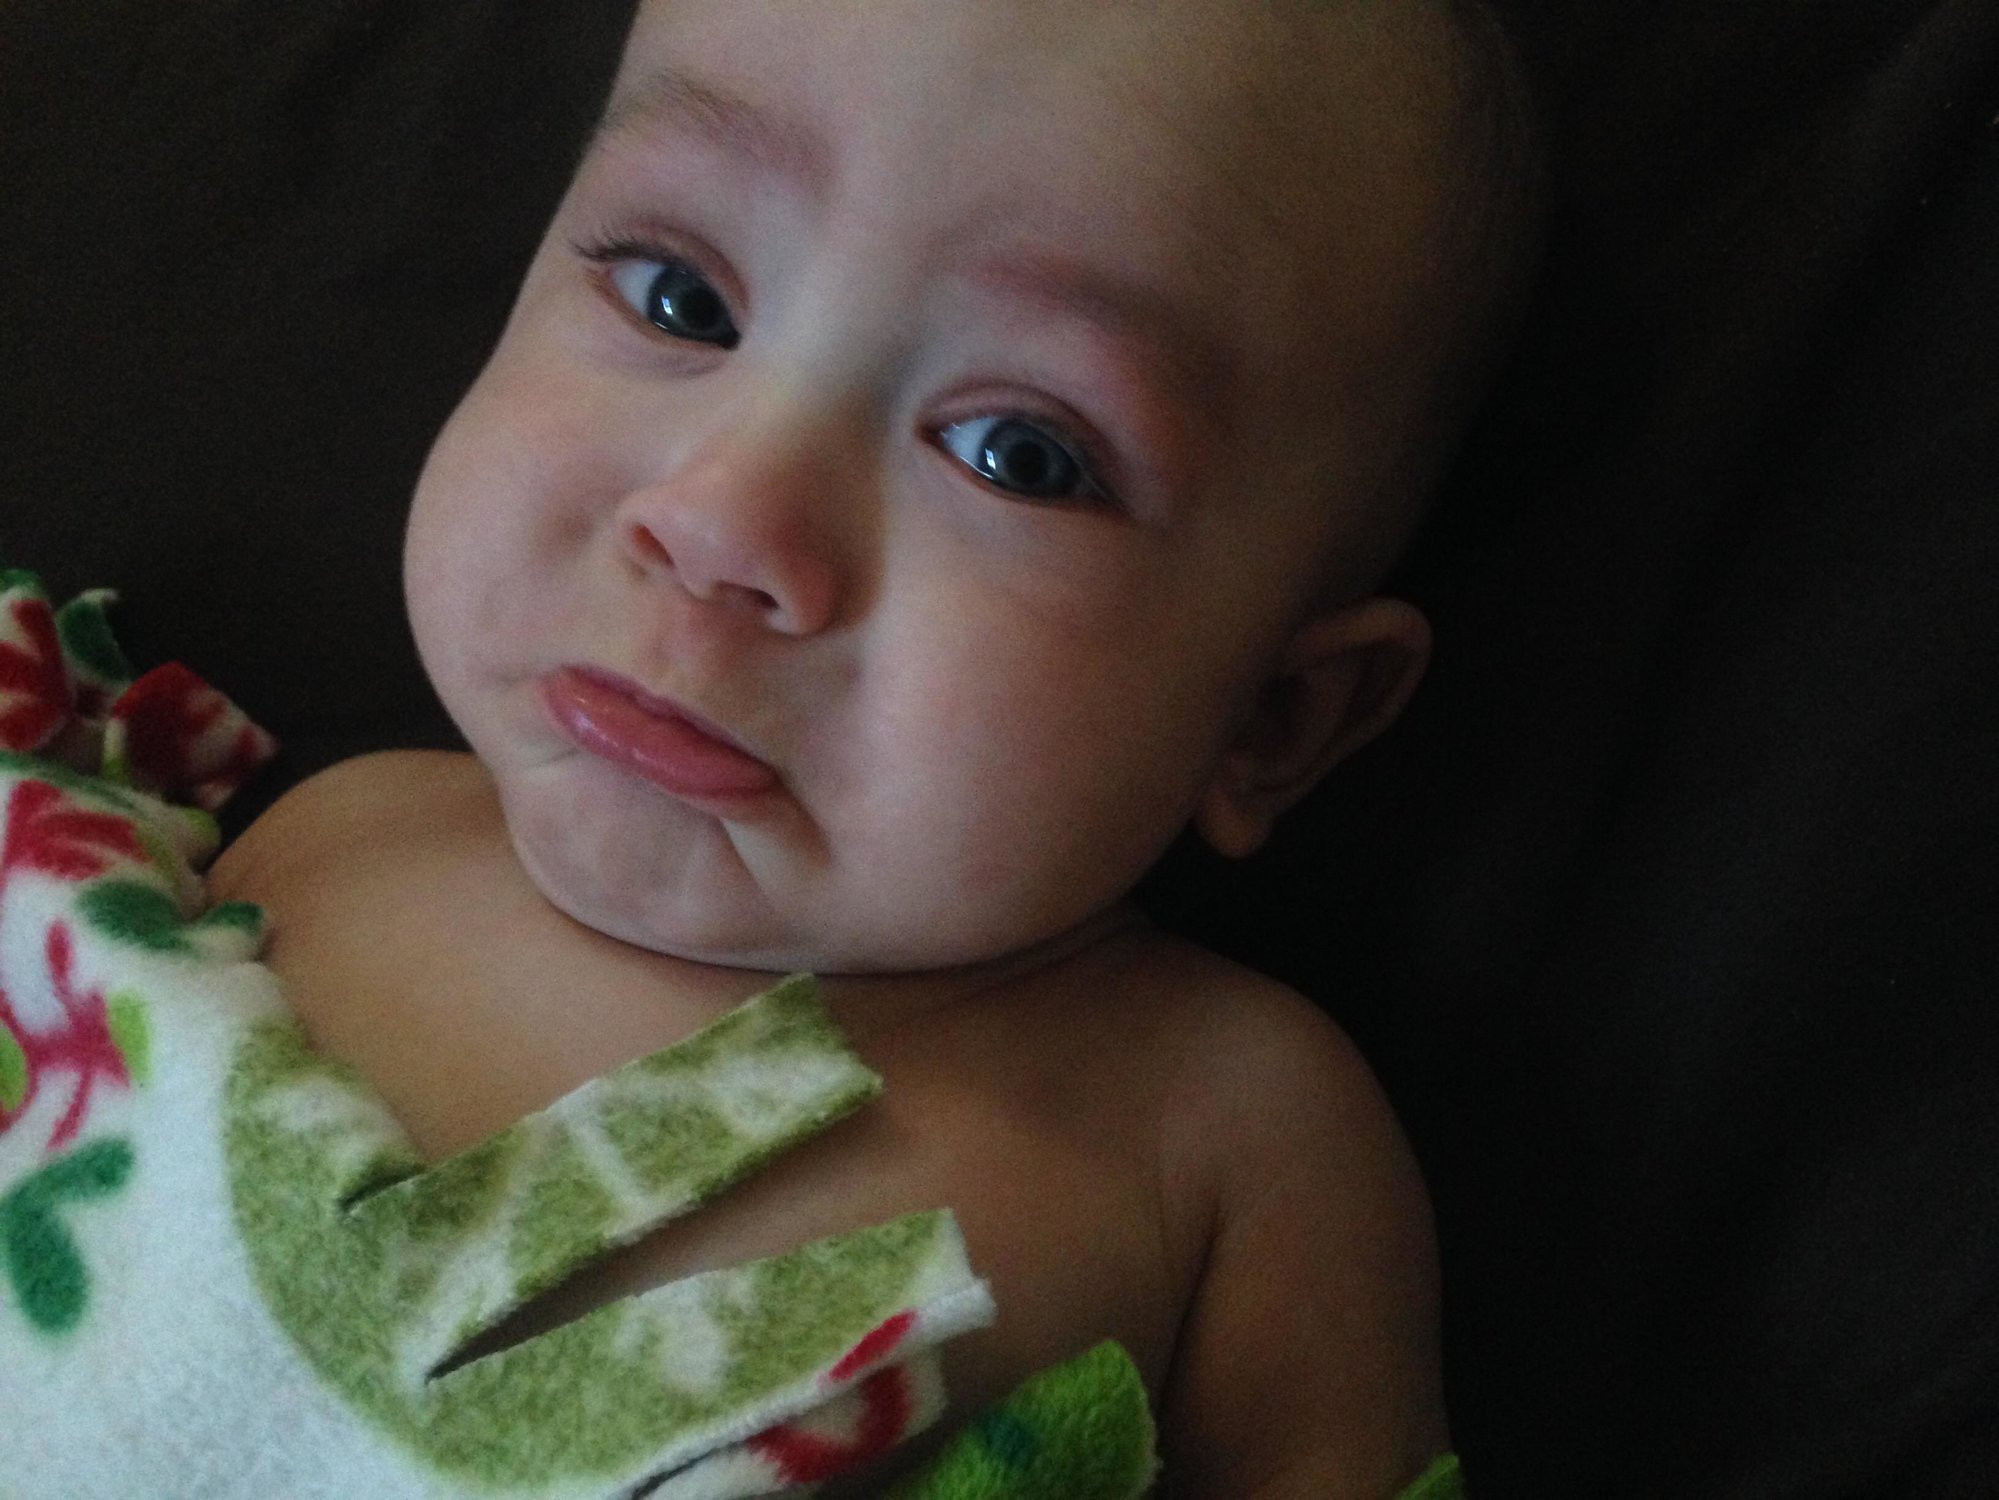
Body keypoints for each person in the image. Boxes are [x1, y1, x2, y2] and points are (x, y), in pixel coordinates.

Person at [203, 0, 1540, 1492]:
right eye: (679, 300)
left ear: (1272, 720)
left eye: (1019, 456)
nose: (720, 522)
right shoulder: (323, 836)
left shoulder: (1223, 1132)